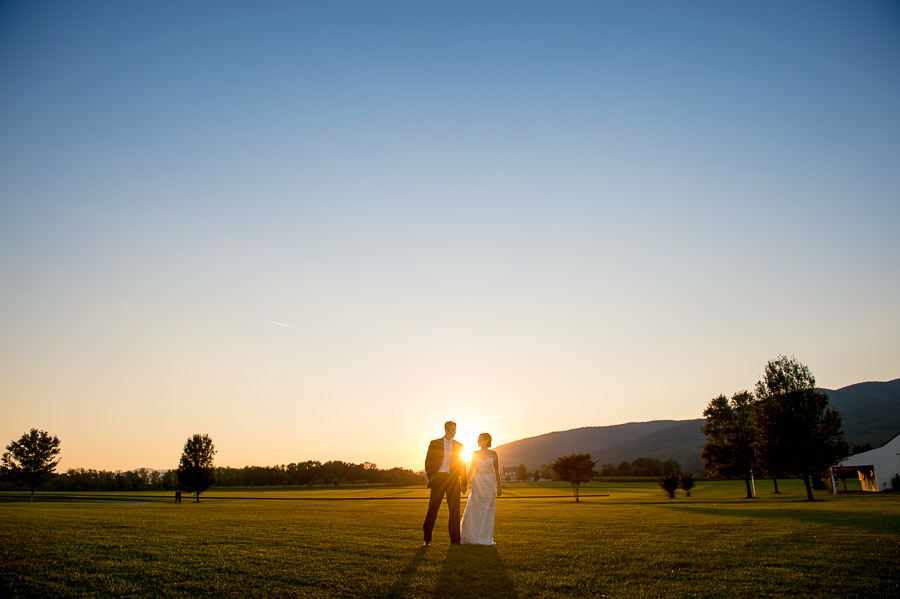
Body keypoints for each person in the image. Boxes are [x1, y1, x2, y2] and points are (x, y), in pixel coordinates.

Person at [423, 421, 467, 546]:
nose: (455, 432)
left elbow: (462, 464)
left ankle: (455, 540)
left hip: (453, 480)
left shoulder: (459, 445)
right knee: (433, 509)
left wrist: (464, 482)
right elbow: (428, 462)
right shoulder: (434, 443)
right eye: (453, 430)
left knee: (454, 511)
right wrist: (432, 477)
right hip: (439, 479)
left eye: (456, 430)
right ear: (447, 429)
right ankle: (427, 539)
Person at [460, 432, 502, 545]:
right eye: (478, 438)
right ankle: (472, 536)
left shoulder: (493, 454)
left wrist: (499, 487)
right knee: (475, 508)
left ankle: (485, 537)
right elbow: (471, 471)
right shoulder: (474, 453)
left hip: (489, 483)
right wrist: (464, 484)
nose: (478, 440)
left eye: (480, 438)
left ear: (487, 440)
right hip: (477, 483)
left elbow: (496, 472)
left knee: (488, 510)